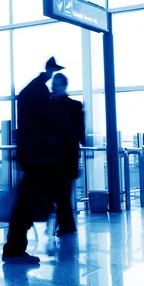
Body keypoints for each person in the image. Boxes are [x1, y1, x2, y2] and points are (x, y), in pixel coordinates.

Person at [2, 56, 64, 264]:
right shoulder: (38, 93)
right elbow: (49, 122)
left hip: (32, 157)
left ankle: (14, 248)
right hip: (38, 158)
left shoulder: (31, 91)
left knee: (26, 203)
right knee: (26, 204)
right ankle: (14, 250)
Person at [49, 72, 85, 235]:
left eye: (57, 85)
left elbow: (76, 131)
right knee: (61, 193)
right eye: (53, 85)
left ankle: (66, 225)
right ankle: (66, 225)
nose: (54, 88)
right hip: (57, 158)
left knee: (61, 193)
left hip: (65, 158)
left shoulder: (74, 106)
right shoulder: (50, 105)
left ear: (64, 86)